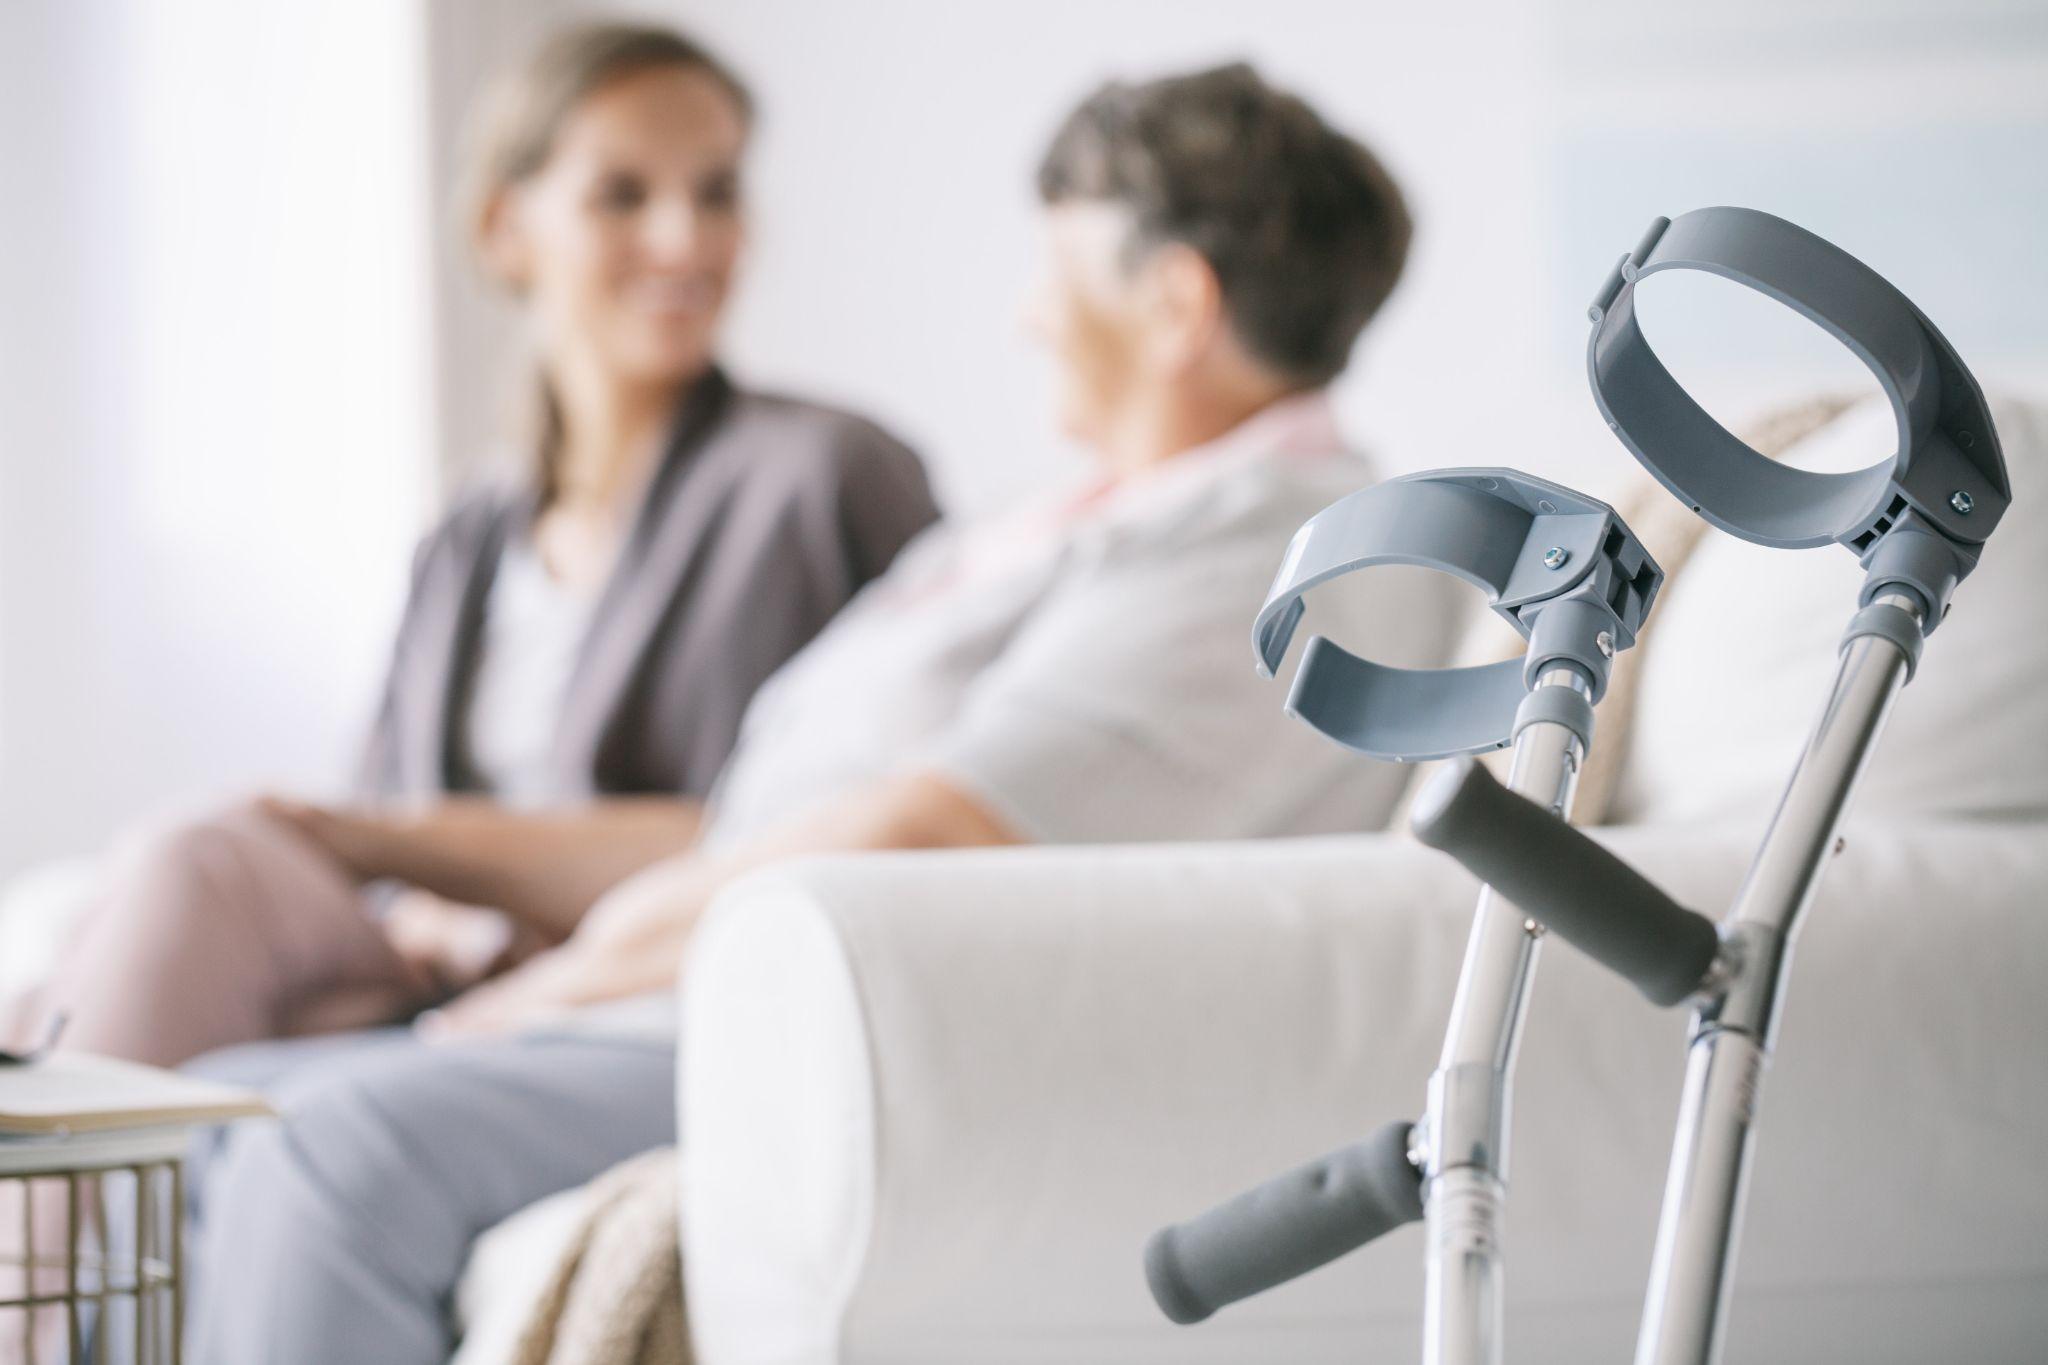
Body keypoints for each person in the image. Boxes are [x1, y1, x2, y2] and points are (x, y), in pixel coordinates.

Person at [181, 62, 1457, 1363]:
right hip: (748, 985)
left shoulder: (1275, 557)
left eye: (1052, 272)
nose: (1026, 318)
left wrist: (568, 977)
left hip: (858, 1028)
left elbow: (934, 833)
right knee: (217, 1112)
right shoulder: (1093, 522)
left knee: (337, 1147)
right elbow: (775, 821)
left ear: (1174, 303)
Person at [0, 23, 938, 1072]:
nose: (686, 239)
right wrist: (420, 905)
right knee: (141, 896)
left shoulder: (824, 476)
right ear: (506, 227)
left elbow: (865, 813)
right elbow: (381, 818)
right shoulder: (469, 537)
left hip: (636, 975)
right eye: (622, 194)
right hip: (438, 975)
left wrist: (412, 856)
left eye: (716, 192)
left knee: (189, 870)